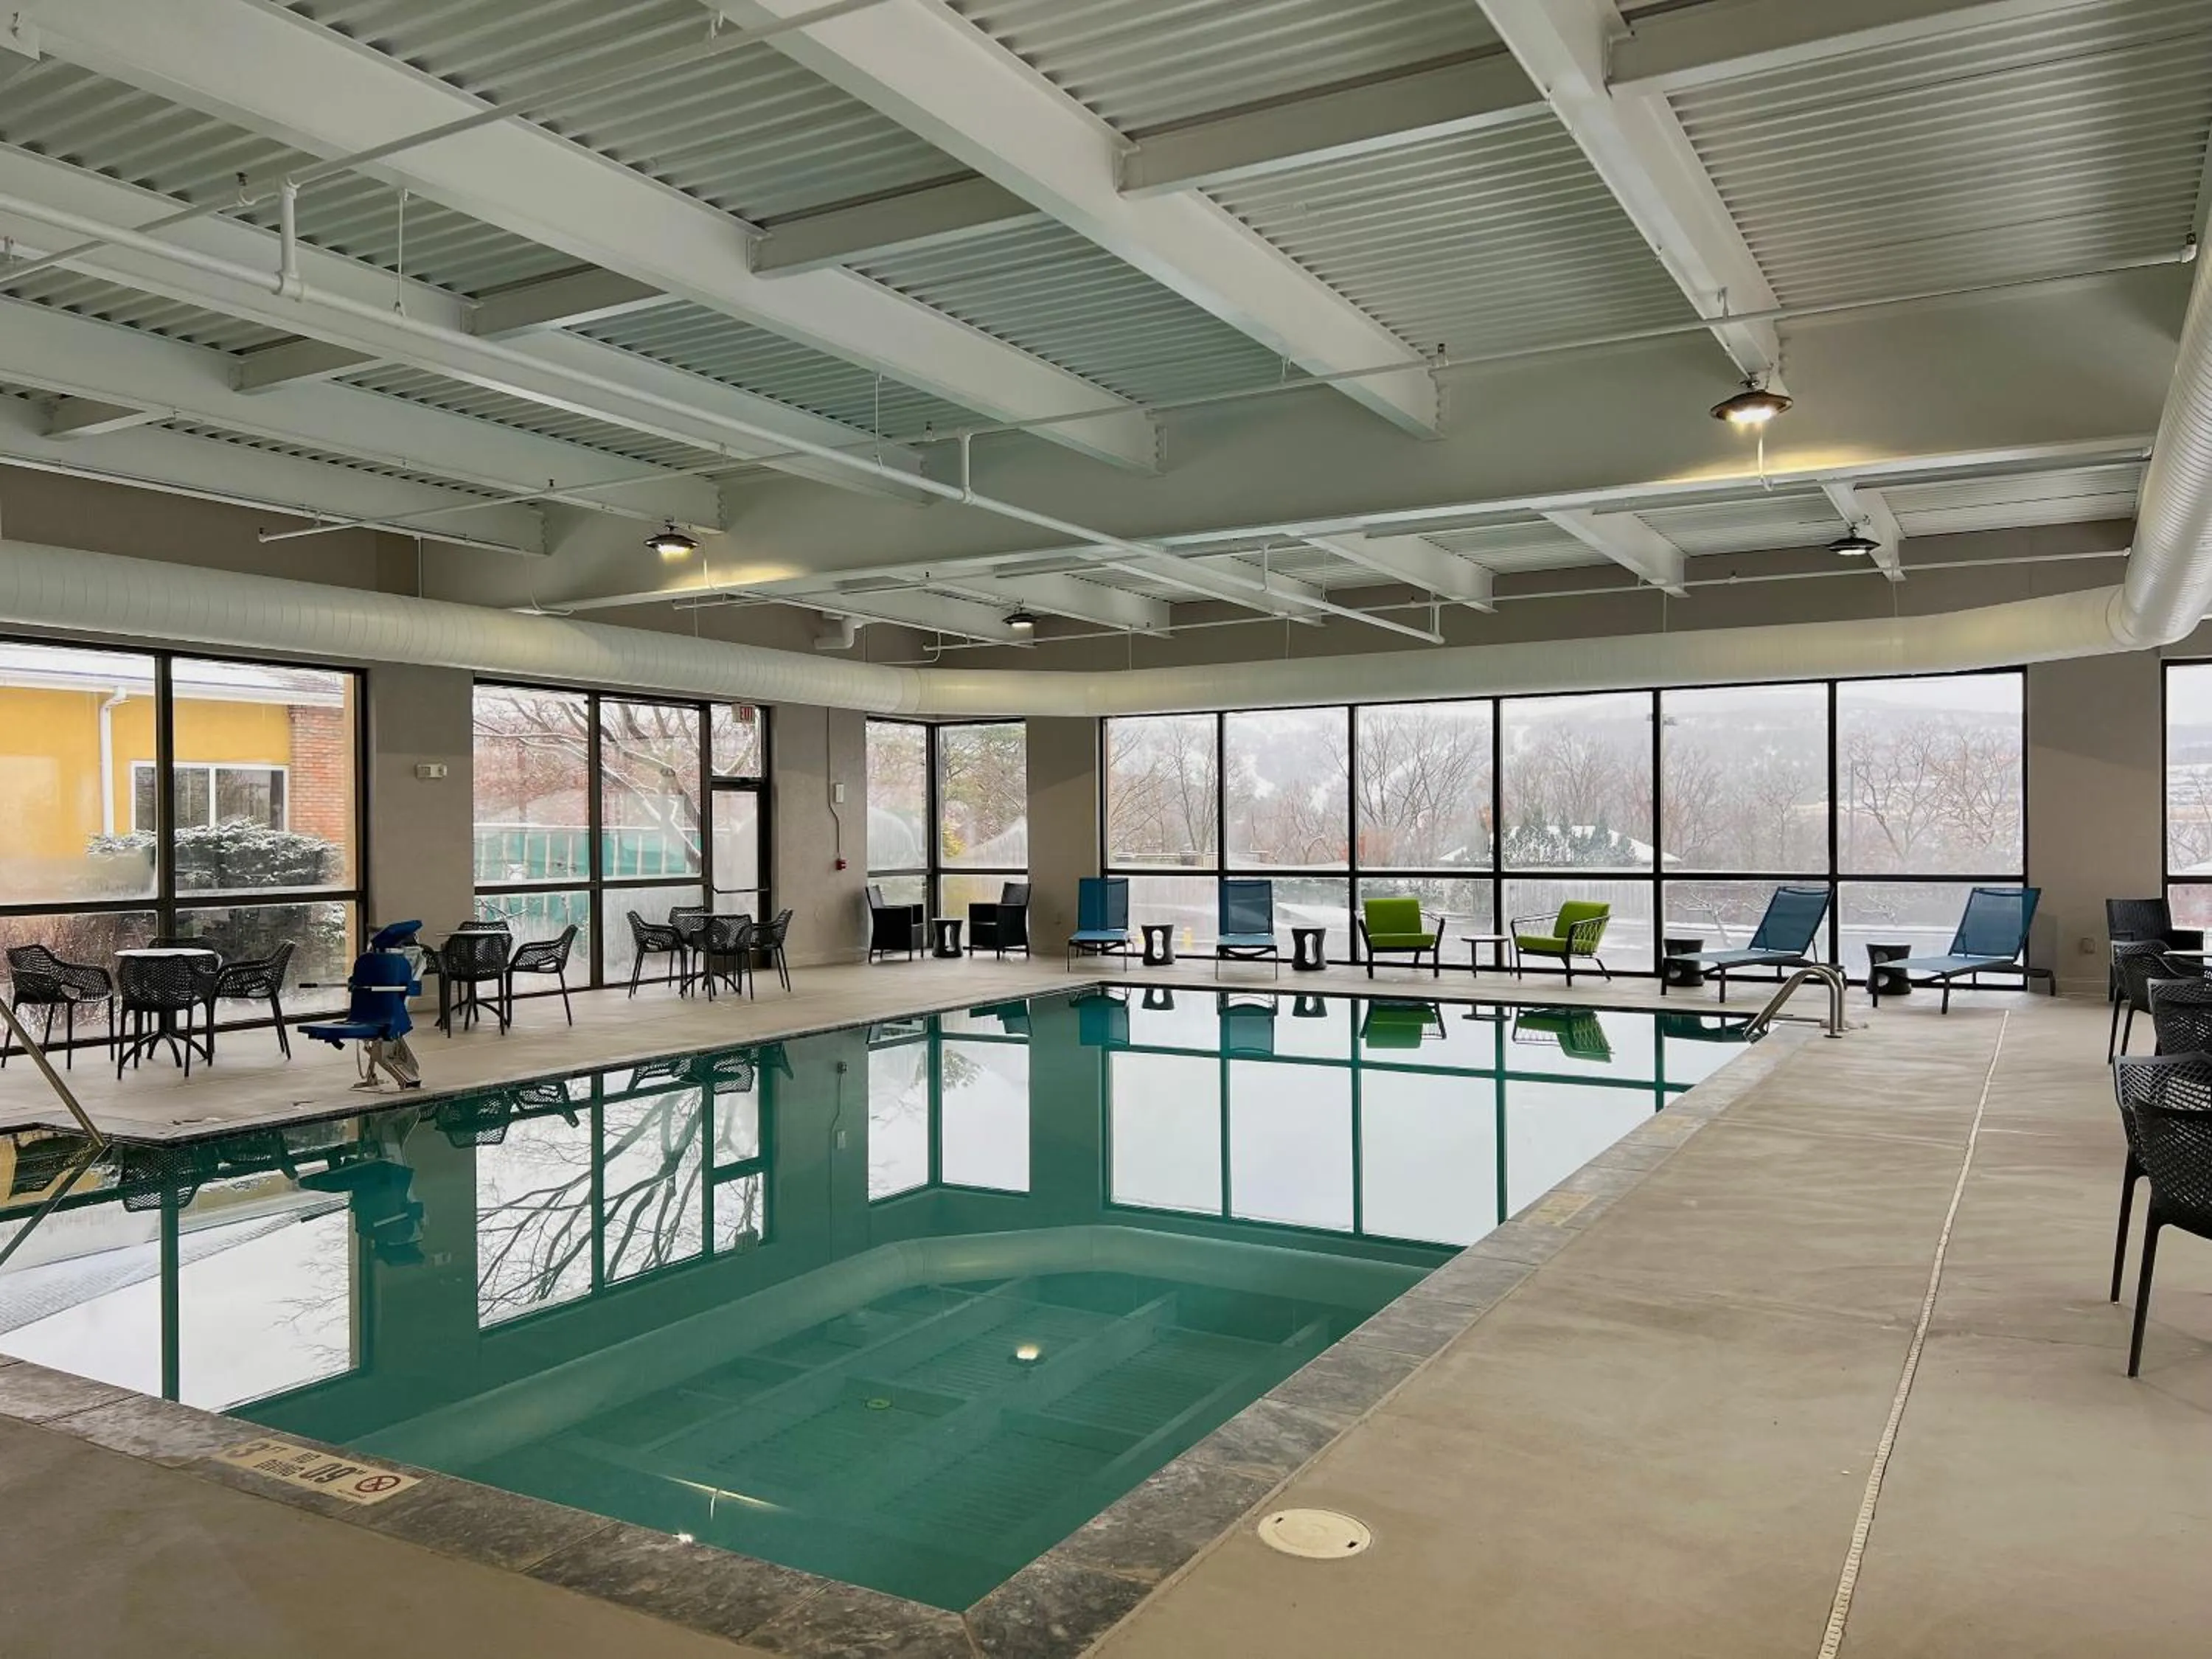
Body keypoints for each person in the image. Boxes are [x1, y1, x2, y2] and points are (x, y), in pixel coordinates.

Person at [302, 920, 425, 1090]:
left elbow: (408, 990)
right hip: (365, 1016)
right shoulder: (368, 962)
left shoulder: (393, 964)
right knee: (380, 1044)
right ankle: (372, 1075)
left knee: (384, 1043)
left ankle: (402, 1079)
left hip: (387, 1019)